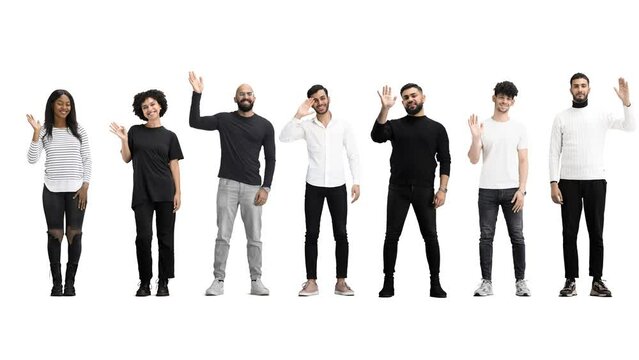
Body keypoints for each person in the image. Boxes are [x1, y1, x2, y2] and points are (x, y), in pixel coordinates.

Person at [188, 71, 275, 296]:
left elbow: (271, 158)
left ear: (254, 97)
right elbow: (194, 122)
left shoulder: (265, 125)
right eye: (241, 94)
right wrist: (197, 94)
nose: (245, 96)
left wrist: (266, 187)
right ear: (235, 99)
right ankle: (218, 280)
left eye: (249, 93)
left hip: (253, 188)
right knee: (223, 235)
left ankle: (256, 280)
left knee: (254, 237)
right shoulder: (224, 120)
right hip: (227, 185)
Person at [550, 74, 634, 297]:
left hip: (595, 180)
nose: (580, 89)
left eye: (583, 86)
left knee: (596, 232)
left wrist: (626, 102)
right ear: (570, 89)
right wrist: (553, 182)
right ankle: (570, 280)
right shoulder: (561, 117)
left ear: (589, 88)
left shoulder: (601, 114)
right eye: (576, 86)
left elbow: (630, 126)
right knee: (569, 233)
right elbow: (553, 152)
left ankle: (597, 280)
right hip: (568, 182)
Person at [280, 84, 360, 296]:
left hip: (338, 186)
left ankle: (341, 282)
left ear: (328, 98)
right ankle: (311, 282)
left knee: (341, 233)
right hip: (314, 185)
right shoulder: (306, 126)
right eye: (315, 100)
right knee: (311, 234)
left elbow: (353, 154)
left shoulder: (342, 125)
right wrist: (298, 114)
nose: (320, 102)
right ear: (311, 103)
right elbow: (284, 137)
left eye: (322, 98)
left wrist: (356, 181)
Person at [371, 83, 449, 298]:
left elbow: (445, 161)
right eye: (405, 97)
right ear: (403, 102)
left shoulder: (437, 128)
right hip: (398, 189)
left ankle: (435, 283)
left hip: (425, 190)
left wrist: (442, 190)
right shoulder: (395, 125)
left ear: (423, 97)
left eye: (413, 95)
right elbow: (376, 136)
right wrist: (385, 109)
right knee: (391, 236)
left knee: (431, 237)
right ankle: (388, 282)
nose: (410, 99)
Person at [109, 89, 183, 297]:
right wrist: (123, 139)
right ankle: (144, 281)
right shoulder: (134, 131)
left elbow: (174, 166)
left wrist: (178, 192)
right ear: (141, 111)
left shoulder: (170, 136)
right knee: (143, 238)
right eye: (145, 107)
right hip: (142, 193)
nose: (149, 109)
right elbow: (126, 158)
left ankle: (164, 281)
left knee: (166, 239)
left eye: (152, 105)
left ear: (160, 106)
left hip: (166, 193)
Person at [467, 81, 530, 297]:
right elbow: (474, 159)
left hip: (512, 190)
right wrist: (476, 138)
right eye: (501, 97)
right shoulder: (483, 126)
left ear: (513, 102)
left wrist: (522, 190)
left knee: (517, 236)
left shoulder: (519, 128)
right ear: (494, 97)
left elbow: (523, 160)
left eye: (509, 99)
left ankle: (520, 282)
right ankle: (486, 282)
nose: (505, 102)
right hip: (487, 190)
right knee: (486, 237)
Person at [27, 89, 92, 296]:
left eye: (68, 104)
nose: (65, 107)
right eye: (60, 103)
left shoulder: (78, 130)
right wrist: (36, 133)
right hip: (52, 190)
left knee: (75, 235)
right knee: (55, 235)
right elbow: (32, 159)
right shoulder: (45, 130)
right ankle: (56, 284)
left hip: (76, 192)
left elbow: (87, 160)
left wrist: (85, 186)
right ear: (52, 105)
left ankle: (70, 283)